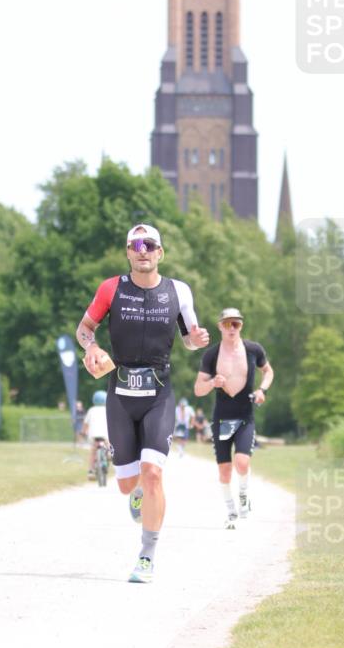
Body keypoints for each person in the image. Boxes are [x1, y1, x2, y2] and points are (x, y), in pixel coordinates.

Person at [76, 223, 209, 583]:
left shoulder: (178, 292)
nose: (143, 250)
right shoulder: (111, 289)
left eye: (149, 244)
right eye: (135, 245)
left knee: (153, 474)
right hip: (120, 394)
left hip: (158, 395)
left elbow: (190, 340)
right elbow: (84, 329)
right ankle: (135, 492)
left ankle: (146, 555)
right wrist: (92, 348)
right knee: (126, 483)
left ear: (160, 253)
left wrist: (197, 339)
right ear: (128, 253)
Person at [194, 308, 273, 528]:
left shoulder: (253, 350)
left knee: (242, 461)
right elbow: (198, 389)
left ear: (241, 326)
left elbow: (268, 372)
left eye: (236, 324)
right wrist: (212, 384)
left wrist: (262, 391)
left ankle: (244, 495)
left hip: (245, 415)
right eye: (227, 324)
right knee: (225, 470)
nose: (231, 328)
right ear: (219, 326)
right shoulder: (211, 354)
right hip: (221, 419)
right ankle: (230, 511)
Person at [83, 390, 110, 478]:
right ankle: (109, 454)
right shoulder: (107, 409)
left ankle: (90, 470)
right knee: (108, 444)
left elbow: (86, 424)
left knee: (93, 451)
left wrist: (83, 432)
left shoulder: (91, 410)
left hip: (94, 435)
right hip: (105, 435)